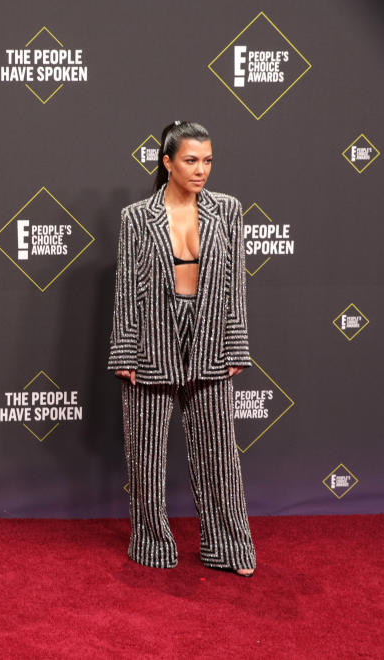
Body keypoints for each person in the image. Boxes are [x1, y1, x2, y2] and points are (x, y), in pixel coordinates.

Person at [107, 121, 256, 576]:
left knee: (219, 454)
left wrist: (236, 345)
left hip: (210, 335)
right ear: (167, 162)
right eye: (191, 160)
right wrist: (124, 353)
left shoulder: (228, 211)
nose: (201, 169)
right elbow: (127, 287)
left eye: (208, 160)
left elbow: (235, 285)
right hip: (152, 336)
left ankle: (227, 548)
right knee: (146, 456)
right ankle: (152, 543)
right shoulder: (136, 217)